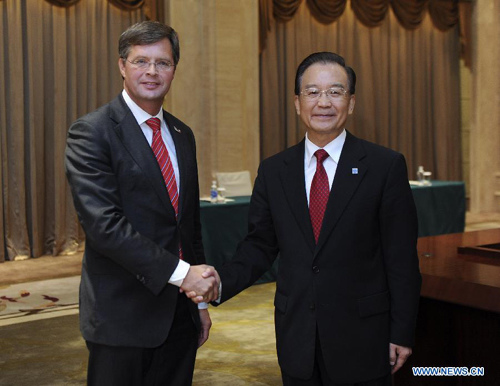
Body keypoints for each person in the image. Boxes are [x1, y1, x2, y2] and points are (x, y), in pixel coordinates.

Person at [193, 52, 422, 385]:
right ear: (298, 103)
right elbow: (260, 245)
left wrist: (402, 331)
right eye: (313, 92)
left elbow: (401, 258)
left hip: (364, 338)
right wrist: (219, 283)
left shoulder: (384, 166)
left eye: (335, 92)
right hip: (297, 336)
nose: (323, 102)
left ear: (351, 102)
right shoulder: (274, 171)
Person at [65, 21, 219, 385]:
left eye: (163, 63)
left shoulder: (182, 134)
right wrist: (186, 276)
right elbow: (105, 227)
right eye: (140, 61)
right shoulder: (92, 132)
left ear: (174, 69)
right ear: (122, 66)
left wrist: (198, 304)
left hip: (179, 314)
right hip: (122, 316)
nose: (152, 72)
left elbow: (188, 225)